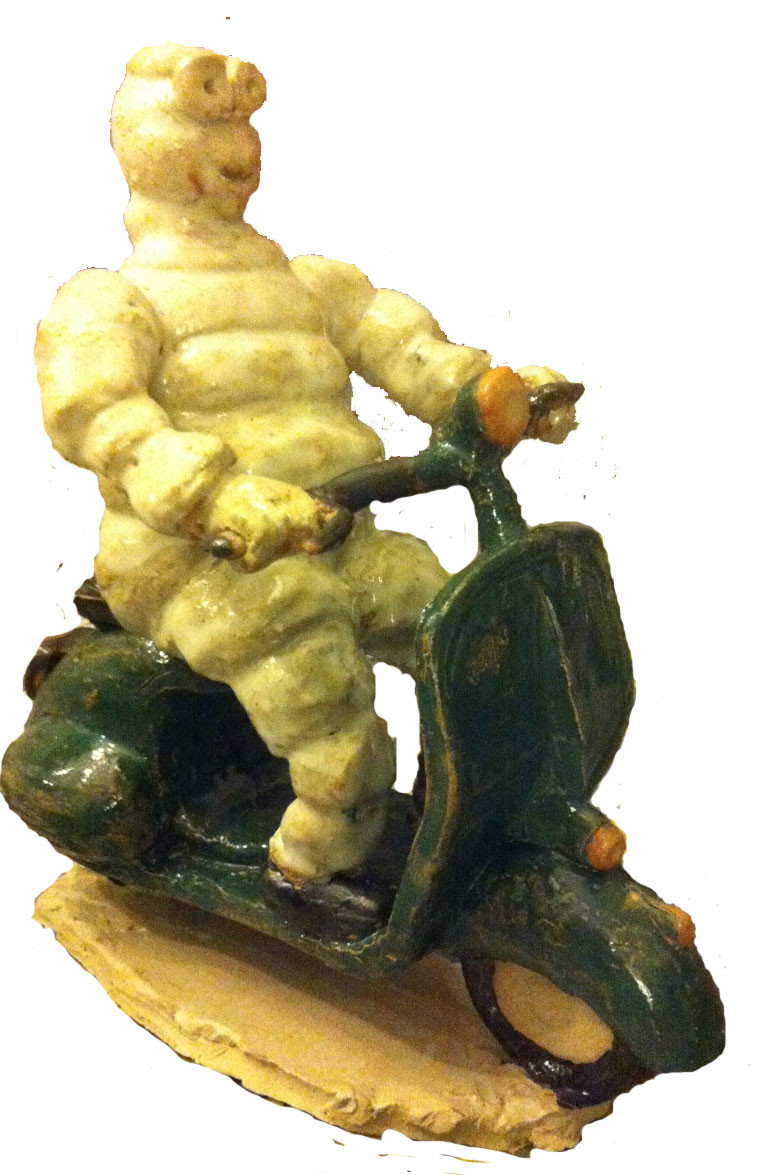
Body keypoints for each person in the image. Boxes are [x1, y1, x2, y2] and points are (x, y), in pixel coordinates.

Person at [34, 43, 561, 921]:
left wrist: (489, 394)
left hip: (340, 531)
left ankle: (465, 814)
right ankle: (310, 862)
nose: (236, 151)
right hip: (199, 563)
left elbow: (403, 344)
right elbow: (101, 416)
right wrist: (214, 497)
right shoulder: (110, 301)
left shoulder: (305, 283)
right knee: (327, 706)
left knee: (462, 626)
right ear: (147, 147)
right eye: (205, 130)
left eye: (242, 128)